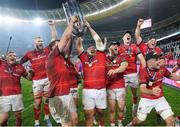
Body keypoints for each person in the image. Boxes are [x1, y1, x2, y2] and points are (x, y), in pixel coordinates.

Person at [20, 20, 57, 126]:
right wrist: (27, 71)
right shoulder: (29, 54)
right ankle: (36, 122)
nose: (41, 42)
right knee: (37, 103)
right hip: (36, 81)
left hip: (47, 79)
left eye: (41, 41)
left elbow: (54, 40)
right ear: (35, 43)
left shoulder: (47, 50)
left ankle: (46, 118)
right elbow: (19, 63)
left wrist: (52, 26)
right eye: (38, 41)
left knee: (46, 101)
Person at [127, 52, 180, 126]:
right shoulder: (143, 71)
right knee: (139, 120)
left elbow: (171, 76)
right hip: (146, 99)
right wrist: (151, 91)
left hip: (159, 98)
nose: (160, 62)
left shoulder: (162, 68)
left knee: (171, 121)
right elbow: (142, 89)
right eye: (157, 60)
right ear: (151, 62)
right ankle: (131, 124)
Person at [46, 16, 78, 126]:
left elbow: (68, 47)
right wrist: (71, 22)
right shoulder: (52, 56)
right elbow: (65, 38)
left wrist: (73, 37)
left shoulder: (62, 57)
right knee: (67, 123)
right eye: (58, 44)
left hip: (66, 93)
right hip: (57, 95)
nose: (62, 45)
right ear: (53, 49)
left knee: (74, 119)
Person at [75, 21, 107, 126]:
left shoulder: (101, 55)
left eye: (94, 47)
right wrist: (80, 34)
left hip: (101, 90)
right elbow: (79, 45)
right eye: (89, 47)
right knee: (88, 114)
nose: (92, 47)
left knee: (101, 113)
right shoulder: (83, 57)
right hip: (87, 90)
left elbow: (97, 40)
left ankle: (101, 125)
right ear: (87, 50)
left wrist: (89, 27)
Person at [118, 31, 146, 117]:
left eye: (129, 36)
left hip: (133, 74)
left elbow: (141, 57)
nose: (128, 36)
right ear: (123, 38)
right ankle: (124, 108)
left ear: (130, 38)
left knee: (134, 94)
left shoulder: (134, 46)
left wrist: (144, 69)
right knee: (123, 95)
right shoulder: (119, 48)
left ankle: (134, 106)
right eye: (126, 35)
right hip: (123, 75)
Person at [0, 51, 31, 126]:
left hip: (17, 95)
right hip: (3, 95)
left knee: (18, 117)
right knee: (4, 119)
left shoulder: (20, 67)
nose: (12, 57)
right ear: (7, 57)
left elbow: (29, 78)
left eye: (14, 55)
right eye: (10, 55)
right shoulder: (1, 64)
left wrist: (32, 72)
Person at [106, 42, 128, 126]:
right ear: (109, 48)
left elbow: (124, 67)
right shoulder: (104, 58)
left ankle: (119, 122)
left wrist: (114, 71)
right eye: (114, 45)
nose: (116, 46)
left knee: (121, 108)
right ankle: (112, 125)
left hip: (120, 86)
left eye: (117, 46)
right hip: (109, 87)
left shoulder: (122, 57)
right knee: (111, 109)